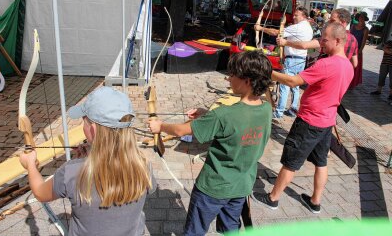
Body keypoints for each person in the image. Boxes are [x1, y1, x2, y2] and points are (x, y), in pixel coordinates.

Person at [148, 51, 273, 235]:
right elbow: (236, 125)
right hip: (241, 186)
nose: (228, 79)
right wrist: (206, 114)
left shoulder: (223, 115)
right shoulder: (266, 108)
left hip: (213, 187)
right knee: (231, 229)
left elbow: (182, 131)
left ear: (246, 80)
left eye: (232, 75)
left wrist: (159, 126)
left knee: (194, 231)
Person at [20, 86, 156, 236]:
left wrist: (30, 165)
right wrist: (89, 155)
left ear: (93, 129)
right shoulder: (143, 165)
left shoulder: (71, 171)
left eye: (84, 122)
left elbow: (40, 192)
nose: (82, 127)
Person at [252, 22, 354, 214]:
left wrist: (264, 71)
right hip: (326, 122)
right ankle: (315, 201)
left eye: (325, 39)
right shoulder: (348, 65)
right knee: (321, 162)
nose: (321, 43)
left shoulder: (326, 64)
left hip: (310, 122)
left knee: (291, 162)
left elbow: (293, 81)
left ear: (338, 40)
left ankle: (273, 198)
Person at [254, 7, 313, 119]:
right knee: (295, 85)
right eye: (294, 15)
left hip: (292, 59)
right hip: (301, 59)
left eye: (297, 15)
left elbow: (277, 32)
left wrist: (260, 28)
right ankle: (293, 108)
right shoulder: (308, 28)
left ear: (304, 16)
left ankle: (279, 112)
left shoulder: (299, 27)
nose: (294, 17)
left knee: (284, 84)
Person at [277, 8, 359, 69]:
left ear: (343, 23)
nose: (328, 23)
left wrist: (285, 43)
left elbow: (305, 45)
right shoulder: (353, 39)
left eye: (332, 21)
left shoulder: (331, 37)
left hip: (324, 75)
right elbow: (354, 64)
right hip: (338, 80)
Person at [349, 12, 369, 89]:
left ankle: (352, 84)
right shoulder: (353, 26)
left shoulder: (366, 29)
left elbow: (363, 42)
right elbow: (349, 36)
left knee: (355, 67)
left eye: (363, 18)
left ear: (365, 19)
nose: (361, 19)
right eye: (360, 17)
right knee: (348, 66)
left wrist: (360, 51)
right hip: (350, 49)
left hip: (357, 50)